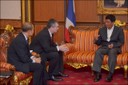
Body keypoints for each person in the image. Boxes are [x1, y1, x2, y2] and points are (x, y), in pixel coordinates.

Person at [92, 14, 124, 82]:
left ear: (113, 22)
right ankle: (98, 73)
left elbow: (121, 41)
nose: (106, 23)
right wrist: (96, 40)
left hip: (114, 48)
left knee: (112, 52)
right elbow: (99, 42)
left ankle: (110, 73)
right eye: (105, 22)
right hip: (104, 47)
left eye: (108, 22)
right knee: (98, 52)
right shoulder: (101, 30)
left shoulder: (119, 30)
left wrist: (114, 45)